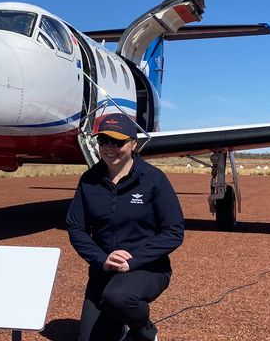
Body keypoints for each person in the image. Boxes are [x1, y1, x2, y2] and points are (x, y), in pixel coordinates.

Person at [66, 113, 184, 341]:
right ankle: (117, 320)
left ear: (133, 144)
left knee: (118, 297)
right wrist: (102, 259)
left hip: (147, 268)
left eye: (117, 142)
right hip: (104, 270)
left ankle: (144, 330)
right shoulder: (89, 180)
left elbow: (174, 231)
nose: (110, 147)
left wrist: (133, 260)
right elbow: (76, 228)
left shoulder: (153, 179)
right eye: (103, 141)